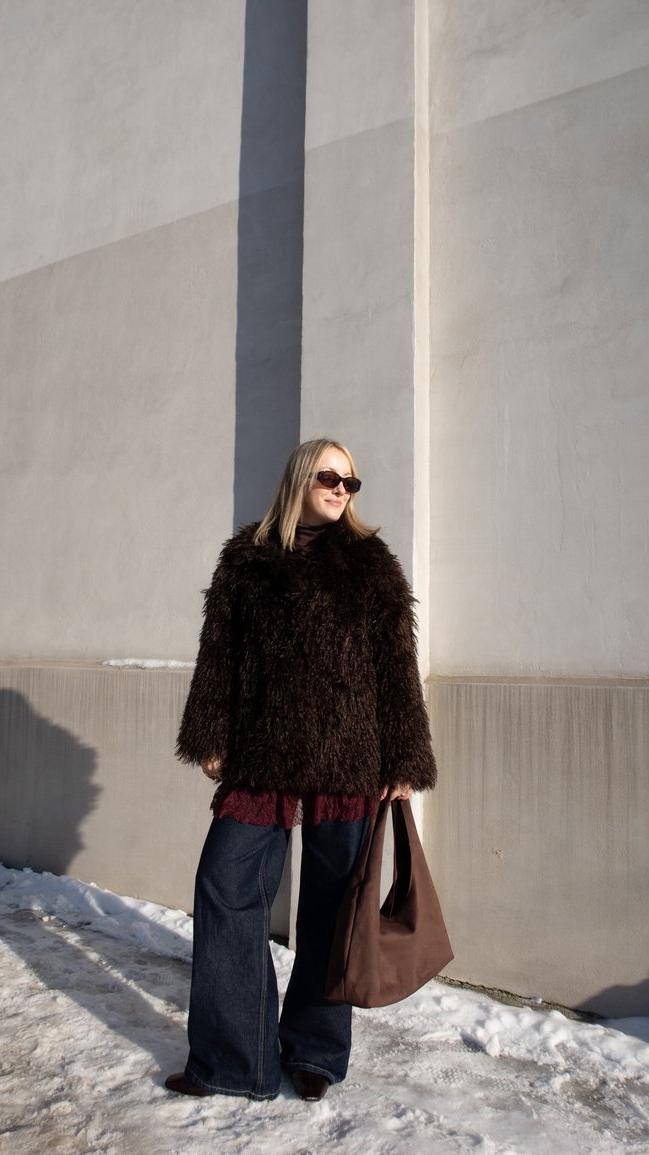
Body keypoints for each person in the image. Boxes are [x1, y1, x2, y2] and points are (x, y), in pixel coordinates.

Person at [165, 437, 437, 1102]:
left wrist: (404, 755)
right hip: (261, 755)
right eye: (330, 475)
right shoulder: (248, 559)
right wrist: (208, 732)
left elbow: (396, 666)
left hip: (350, 759)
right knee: (225, 887)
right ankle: (236, 1058)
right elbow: (218, 655)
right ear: (299, 477)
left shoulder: (372, 565)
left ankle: (315, 1047)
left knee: (332, 907)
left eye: (351, 481)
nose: (342, 488)